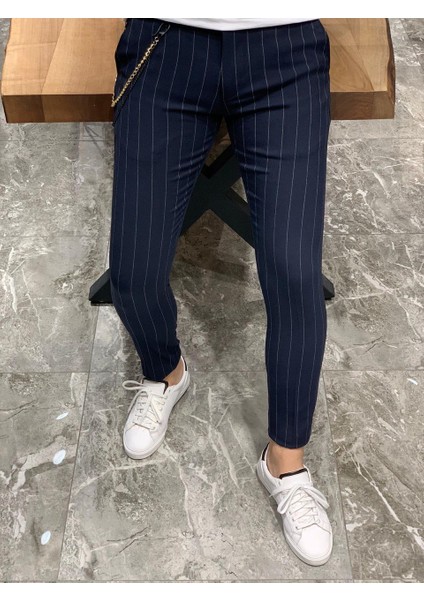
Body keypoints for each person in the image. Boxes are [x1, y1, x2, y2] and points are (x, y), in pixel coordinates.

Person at [109, 17, 332, 567]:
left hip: (284, 43)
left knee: (295, 275)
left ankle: (286, 464)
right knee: (131, 273)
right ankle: (166, 372)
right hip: (167, 42)